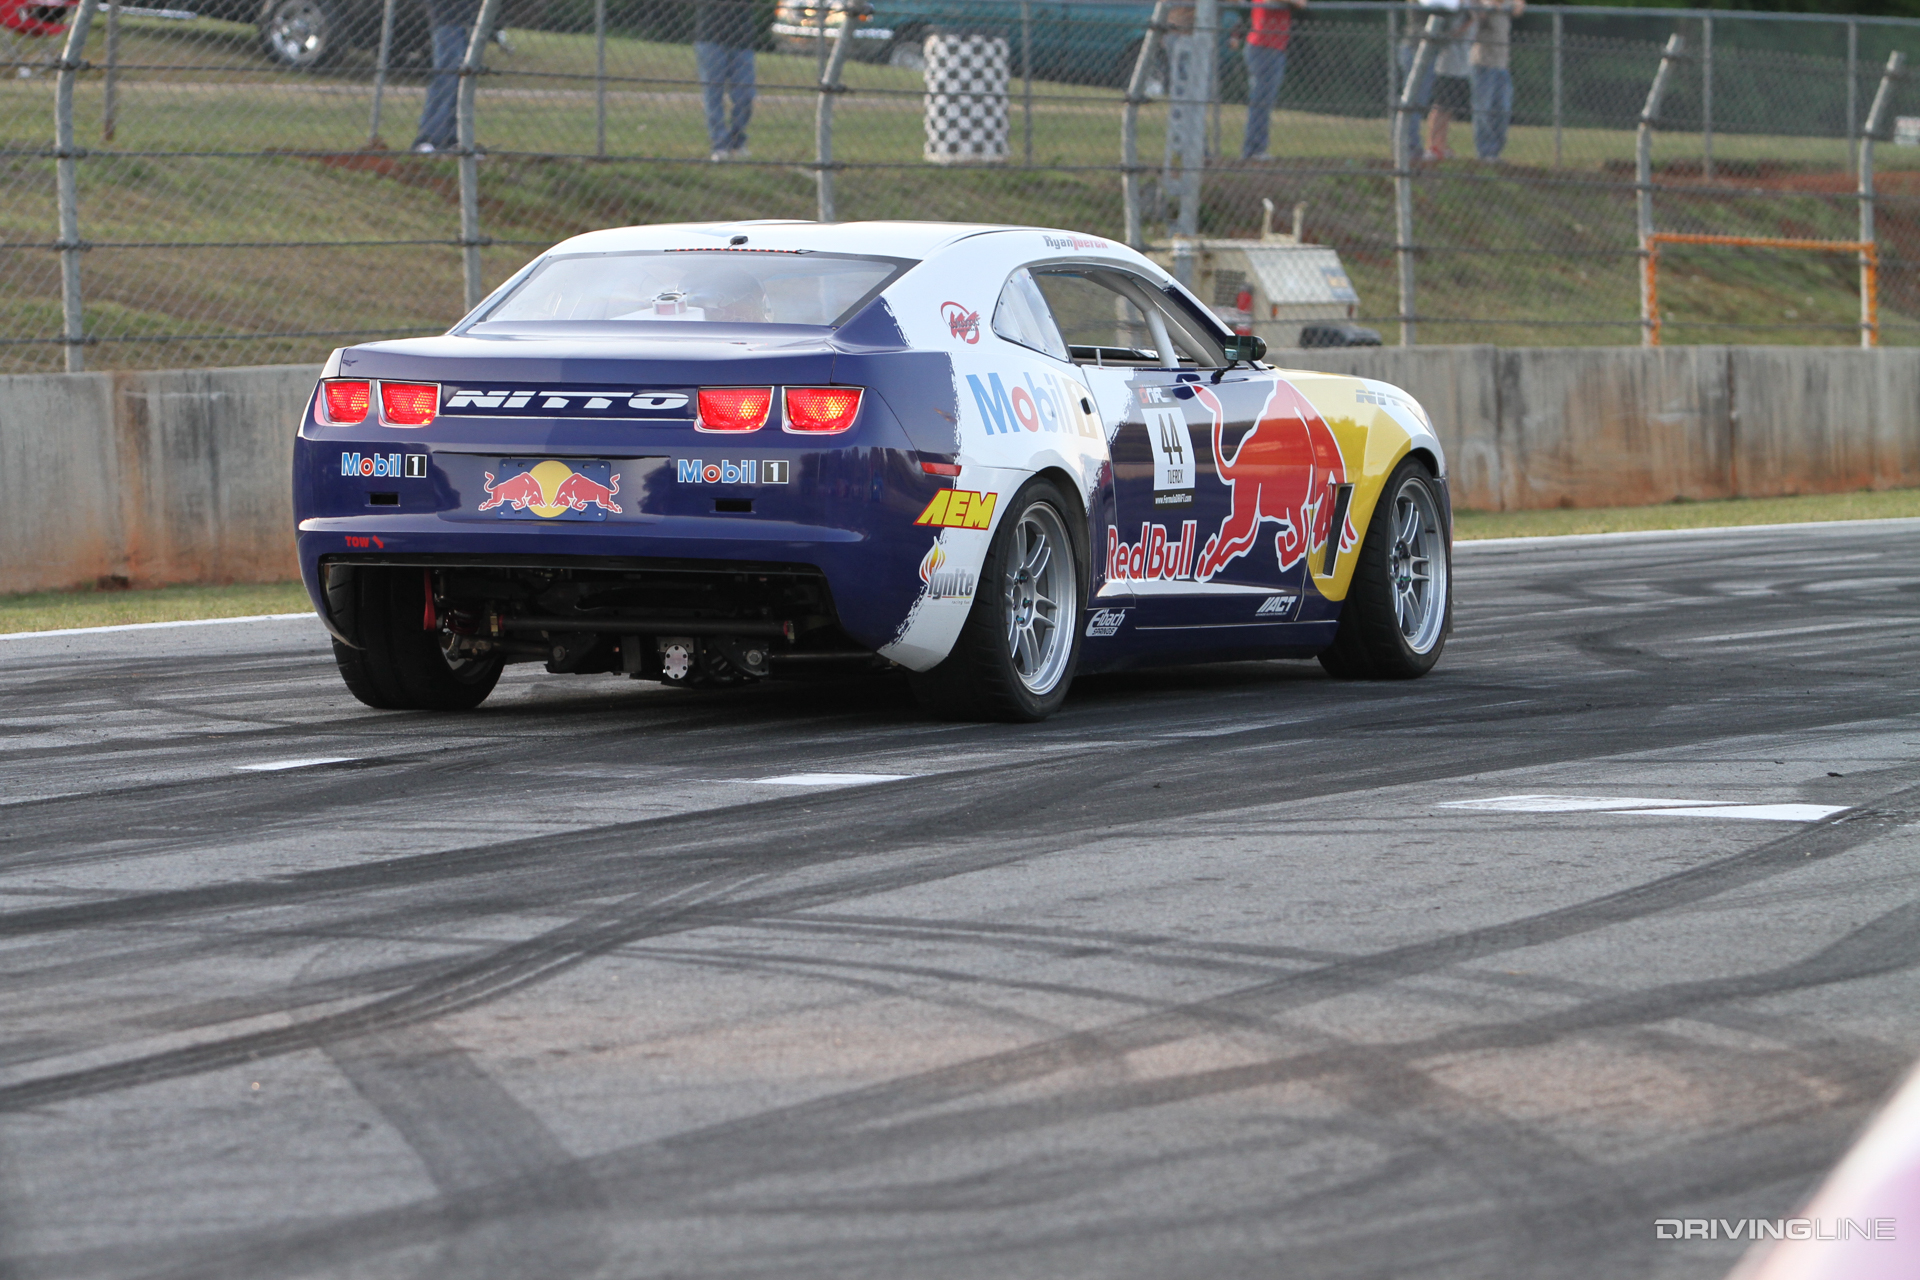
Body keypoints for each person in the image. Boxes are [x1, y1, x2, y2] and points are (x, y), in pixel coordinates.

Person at [1237, 0, 1309, 161]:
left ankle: (1256, 148)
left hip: (1274, 48)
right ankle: (1253, 149)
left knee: (1265, 100)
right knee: (1261, 100)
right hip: (1264, 48)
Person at [696, 0, 762, 162]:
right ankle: (719, 145)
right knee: (713, 94)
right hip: (710, 36)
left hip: (742, 39)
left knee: (745, 95)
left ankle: (737, 141)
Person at [413, 0, 479, 153]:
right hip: (449, 19)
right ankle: (428, 138)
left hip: (469, 22)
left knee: (461, 82)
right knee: (447, 77)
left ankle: (452, 139)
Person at [1470, 0, 1524, 160]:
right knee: (1483, 109)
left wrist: (1512, 6)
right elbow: (1477, 14)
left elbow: (1519, 6)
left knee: (1503, 109)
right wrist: (1491, 7)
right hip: (1483, 64)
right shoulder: (1481, 3)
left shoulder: (1505, 5)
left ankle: (1495, 152)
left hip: (1502, 65)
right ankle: (1485, 152)